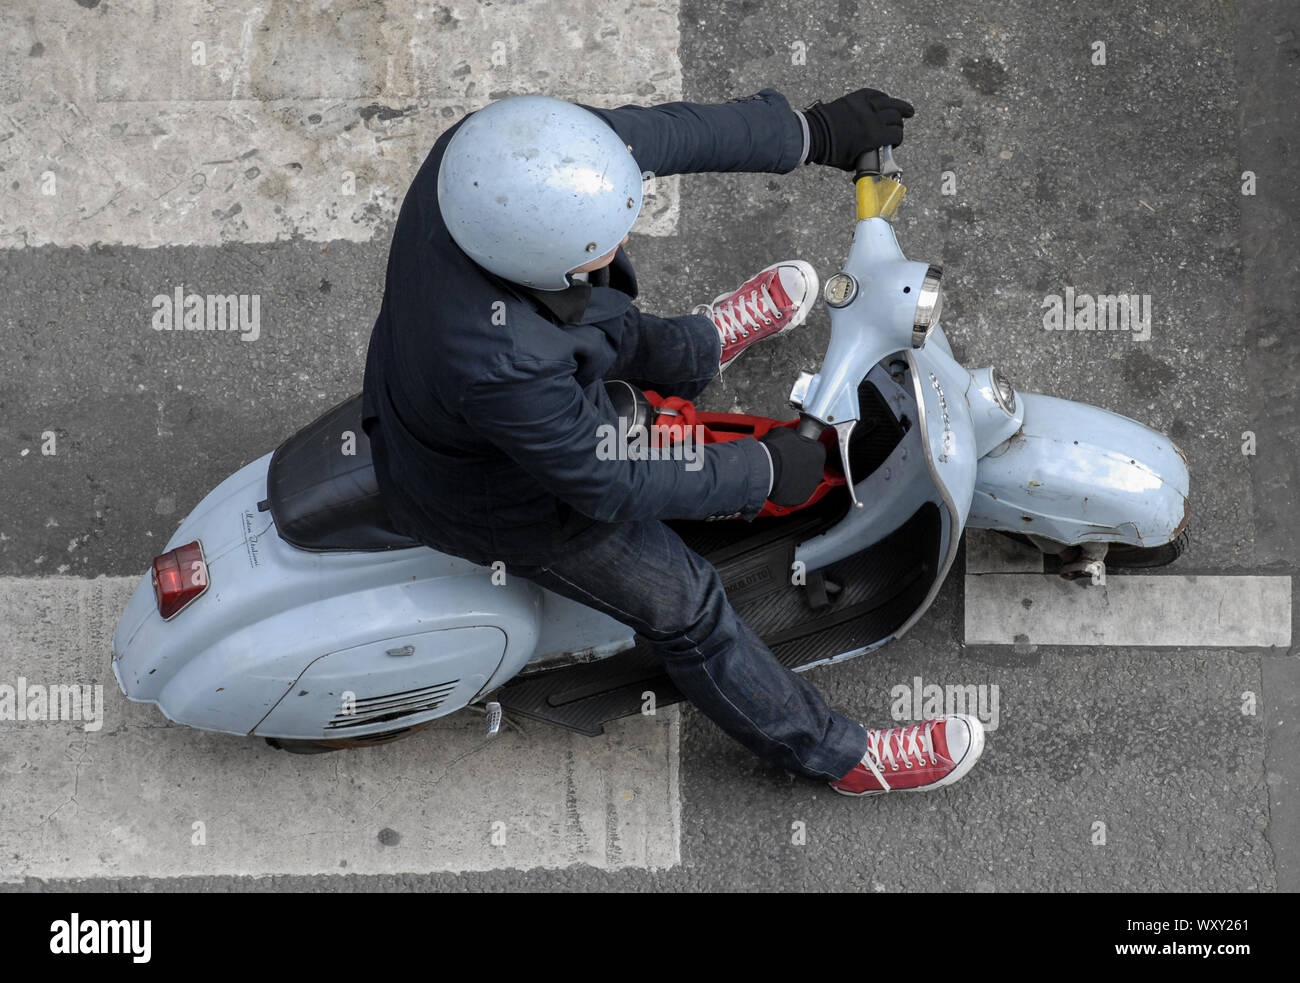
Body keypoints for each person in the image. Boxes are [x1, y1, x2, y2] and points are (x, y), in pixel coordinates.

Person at [361, 86, 985, 795]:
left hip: (491, 367)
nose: (626, 233)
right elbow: (611, 477)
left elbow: (661, 134)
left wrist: (809, 133)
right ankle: (838, 756)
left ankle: (702, 347)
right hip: (504, 498)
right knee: (687, 605)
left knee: (627, 331)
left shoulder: (492, 160)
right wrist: (761, 468)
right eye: (606, 239)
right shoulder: (502, 360)